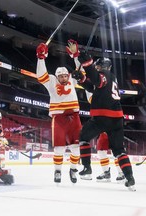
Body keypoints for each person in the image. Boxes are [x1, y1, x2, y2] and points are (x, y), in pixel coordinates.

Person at [66, 39, 135, 190]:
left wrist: (87, 63)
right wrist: (82, 79)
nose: (96, 68)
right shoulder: (113, 78)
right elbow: (93, 87)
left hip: (103, 116)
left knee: (83, 137)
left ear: (101, 66)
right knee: (118, 150)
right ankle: (129, 177)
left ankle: (87, 168)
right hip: (117, 118)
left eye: (97, 66)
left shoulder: (104, 74)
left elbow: (97, 80)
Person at [36, 43, 82, 184]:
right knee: (59, 148)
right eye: (61, 76)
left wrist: (75, 56)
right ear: (56, 76)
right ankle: (57, 171)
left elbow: (82, 72)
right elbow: (41, 75)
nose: (63, 78)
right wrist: (41, 58)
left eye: (65, 76)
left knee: (76, 148)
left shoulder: (72, 80)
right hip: (59, 118)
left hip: (74, 117)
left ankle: (73, 169)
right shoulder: (51, 82)